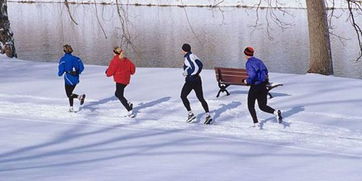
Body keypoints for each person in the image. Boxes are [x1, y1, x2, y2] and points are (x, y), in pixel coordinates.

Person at [243, 46, 282, 127]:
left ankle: (256, 123)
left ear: (246, 54)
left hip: (255, 86)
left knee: (250, 105)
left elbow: (252, 75)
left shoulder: (249, 63)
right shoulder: (259, 61)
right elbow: (266, 71)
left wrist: (247, 81)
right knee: (262, 106)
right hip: (263, 86)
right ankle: (275, 112)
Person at [180, 43, 212, 124]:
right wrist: (196, 73)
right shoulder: (194, 55)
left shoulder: (188, 57)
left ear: (184, 50)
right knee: (201, 98)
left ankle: (190, 114)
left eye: (182, 49)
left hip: (191, 80)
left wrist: (188, 73)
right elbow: (200, 65)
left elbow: (195, 68)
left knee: (183, 96)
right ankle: (208, 115)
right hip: (197, 79)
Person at [106, 47, 136, 118]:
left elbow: (110, 71)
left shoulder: (115, 60)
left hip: (120, 80)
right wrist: (131, 72)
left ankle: (129, 110)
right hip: (126, 80)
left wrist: (107, 72)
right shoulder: (126, 59)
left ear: (114, 52)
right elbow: (133, 67)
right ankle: (128, 103)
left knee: (119, 95)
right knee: (117, 94)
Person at [58, 44, 86, 112]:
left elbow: (61, 71)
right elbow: (82, 68)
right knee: (70, 93)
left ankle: (79, 97)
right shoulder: (77, 59)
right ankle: (71, 107)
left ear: (64, 51)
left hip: (68, 79)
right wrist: (77, 72)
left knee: (69, 94)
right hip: (76, 78)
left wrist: (60, 74)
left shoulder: (63, 59)